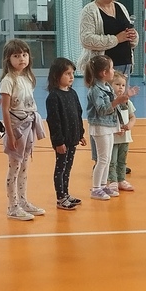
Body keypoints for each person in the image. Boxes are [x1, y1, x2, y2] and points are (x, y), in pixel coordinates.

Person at [0, 38, 45, 221]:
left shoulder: (27, 78)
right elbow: (5, 110)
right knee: (15, 167)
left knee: (25, 166)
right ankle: (13, 206)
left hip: (28, 126)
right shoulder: (8, 81)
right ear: (8, 59)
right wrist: (10, 135)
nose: (21, 59)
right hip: (17, 128)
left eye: (24, 55)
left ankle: (23, 201)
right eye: (16, 56)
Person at [84, 55, 137, 200]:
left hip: (109, 125)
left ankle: (103, 185)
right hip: (100, 126)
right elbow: (102, 109)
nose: (114, 71)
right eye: (112, 68)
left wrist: (124, 97)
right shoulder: (95, 90)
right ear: (104, 72)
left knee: (107, 159)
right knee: (102, 159)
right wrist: (117, 101)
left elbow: (114, 105)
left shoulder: (106, 87)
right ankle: (96, 188)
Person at [77, 0, 138, 78]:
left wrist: (133, 36)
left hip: (125, 65)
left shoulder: (121, 7)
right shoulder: (89, 11)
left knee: (123, 91)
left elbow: (128, 35)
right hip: (102, 69)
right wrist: (116, 39)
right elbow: (86, 39)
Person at [45, 56, 86, 210]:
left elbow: (78, 114)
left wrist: (80, 134)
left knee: (68, 168)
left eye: (72, 73)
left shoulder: (72, 93)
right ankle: (60, 198)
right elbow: (54, 121)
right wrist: (58, 142)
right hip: (62, 141)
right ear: (57, 76)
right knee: (60, 168)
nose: (71, 77)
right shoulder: (53, 97)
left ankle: (66, 194)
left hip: (72, 137)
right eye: (67, 74)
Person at [108, 71, 136, 195]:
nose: (121, 87)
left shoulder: (127, 102)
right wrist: (115, 129)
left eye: (123, 85)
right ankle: (113, 181)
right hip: (113, 138)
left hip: (125, 138)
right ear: (110, 85)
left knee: (122, 160)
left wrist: (129, 125)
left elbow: (132, 117)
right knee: (112, 160)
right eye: (117, 84)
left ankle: (121, 180)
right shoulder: (110, 102)